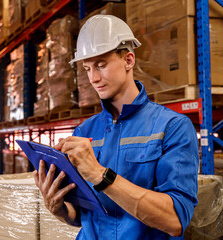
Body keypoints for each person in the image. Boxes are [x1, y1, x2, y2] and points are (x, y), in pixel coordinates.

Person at [33, 15, 199, 239]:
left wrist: (100, 174)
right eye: (87, 69)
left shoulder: (172, 127)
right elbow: (83, 214)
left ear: (128, 60)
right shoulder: (85, 132)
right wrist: (59, 207)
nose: (93, 78)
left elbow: (176, 220)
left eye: (101, 65)